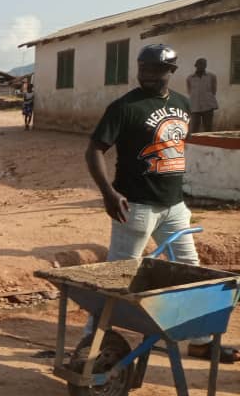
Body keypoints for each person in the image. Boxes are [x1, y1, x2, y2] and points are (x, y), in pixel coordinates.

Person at [85, 44, 239, 364]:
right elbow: (94, 151)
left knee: (191, 272)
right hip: (136, 207)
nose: (147, 75)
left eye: (155, 70)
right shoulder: (124, 107)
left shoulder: (183, 104)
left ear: (171, 72)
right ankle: (91, 341)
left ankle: (199, 341)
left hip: (174, 206)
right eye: (143, 69)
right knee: (117, 276)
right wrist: (108, 193)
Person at [186, 58, 217, 133]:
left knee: (208, 127)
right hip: (195, 106)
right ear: (196, 65)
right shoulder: (190, 78)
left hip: (208, 106)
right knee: (194, 128)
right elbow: (189, 91)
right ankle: (195, 143)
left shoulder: (211, 76)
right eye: (200, 64)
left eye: (204, 64)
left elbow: (213, 90)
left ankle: (208, 143)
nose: (202, 66)